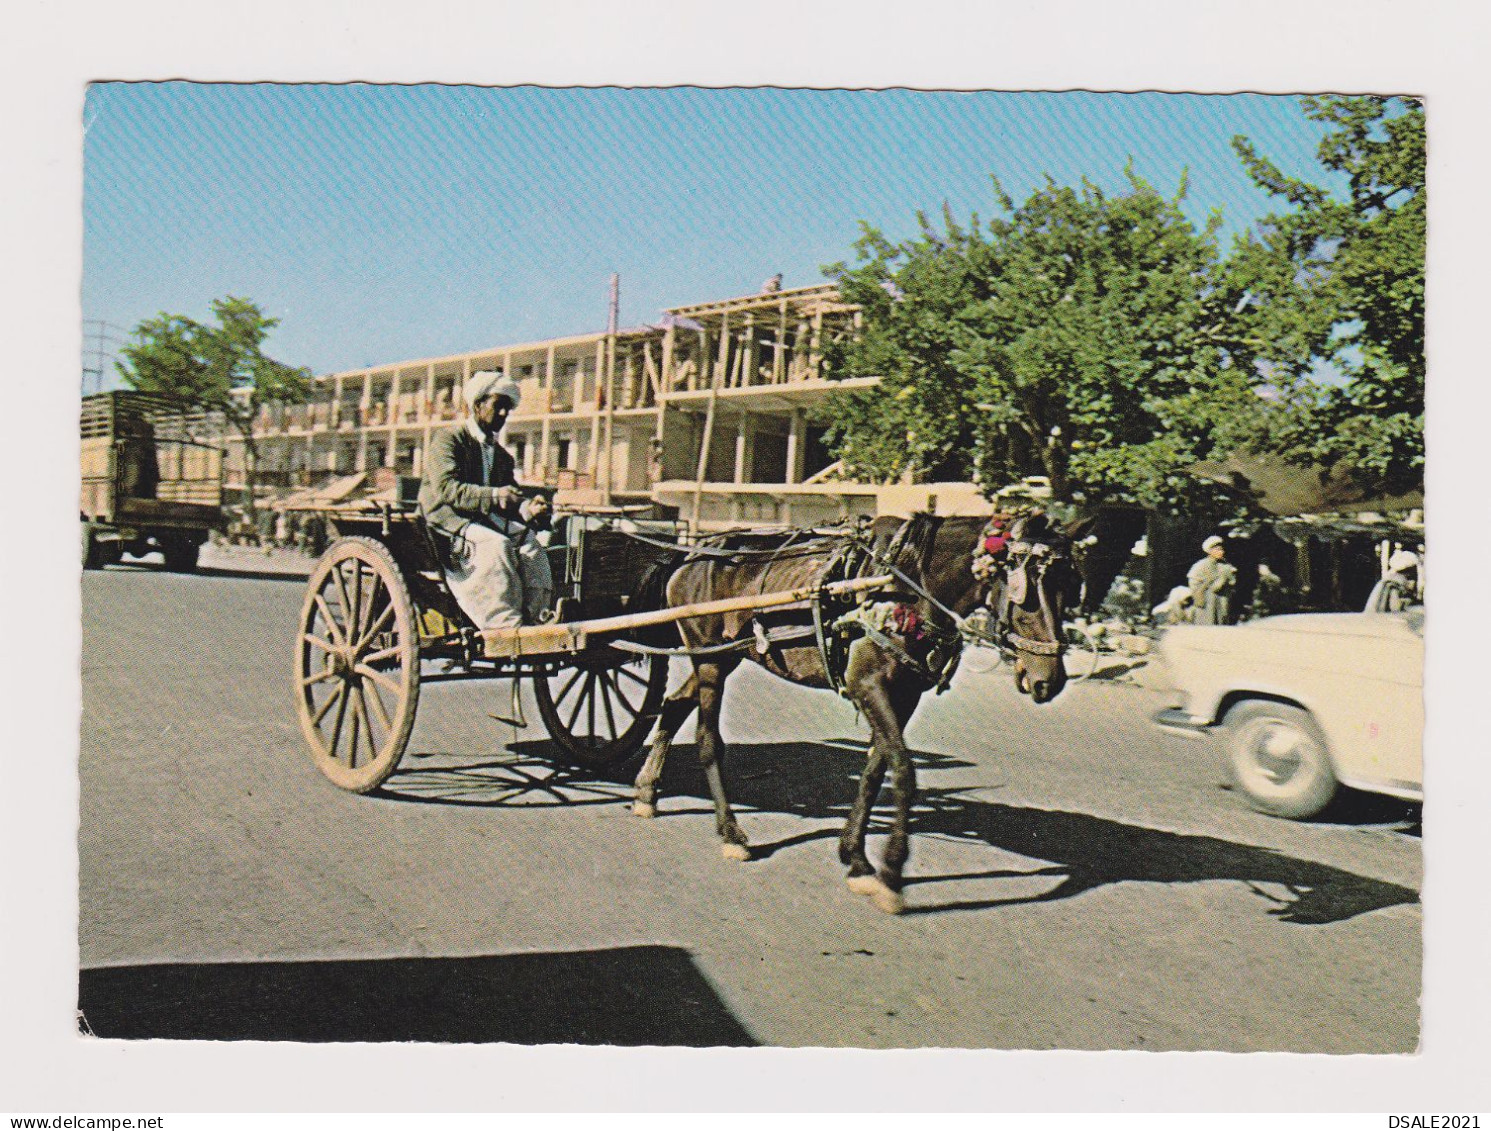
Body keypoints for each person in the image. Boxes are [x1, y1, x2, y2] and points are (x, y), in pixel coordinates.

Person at [418, 370, 554, 630]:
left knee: (531, 547)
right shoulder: (449, 440)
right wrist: (494, 494)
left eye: (508, 409)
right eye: (498, 406)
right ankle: (504, 627)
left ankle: (536, 619)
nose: (503, 414)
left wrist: (527, 507)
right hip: (446, 523)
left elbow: (510, 499)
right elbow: (448, 489)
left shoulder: (502, 456)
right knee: (498, 546)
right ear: (477, 405)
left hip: (482, 522)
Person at [1186, 534, 1236, 625]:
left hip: (1222, 601)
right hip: (1206, 603)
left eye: (1222, 549)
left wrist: (1225, 581)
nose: (1221, 552)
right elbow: (1193, 582)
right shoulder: (1200, 565)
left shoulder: (1225, 566)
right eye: (1218, 549)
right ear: (1209, 551)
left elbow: (1232, 582)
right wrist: (1201, 593)